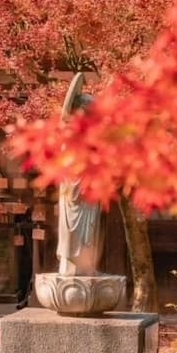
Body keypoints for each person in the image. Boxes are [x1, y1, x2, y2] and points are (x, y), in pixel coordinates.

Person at [57, 72, 102, 276]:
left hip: (89, 192)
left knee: (89, 230)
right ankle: (72, 267)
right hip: (76, 188)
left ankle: (85, 266)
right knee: (73, 230)